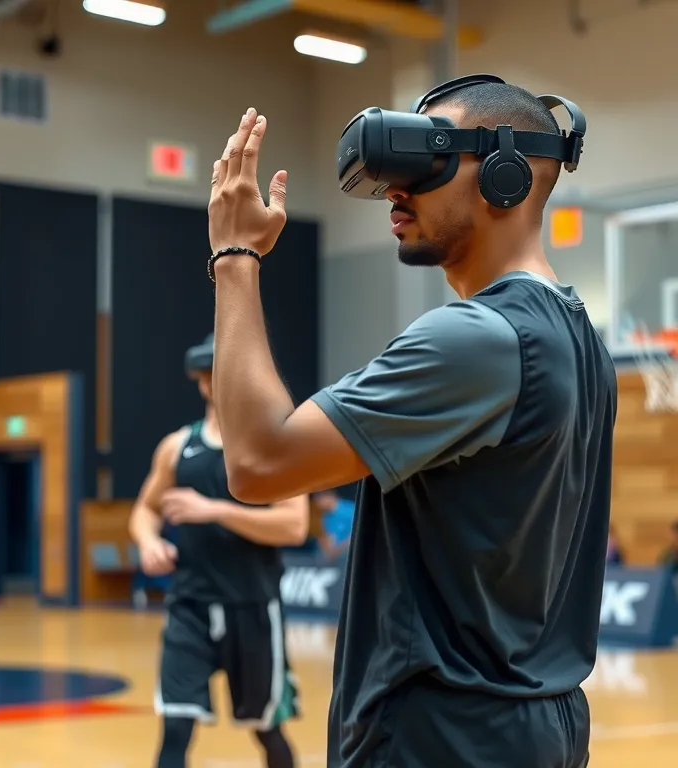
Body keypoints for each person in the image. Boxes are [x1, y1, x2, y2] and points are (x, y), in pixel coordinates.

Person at [204, 80, 614, 767]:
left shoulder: (478, 339)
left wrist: (235, 258)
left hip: (441, 734)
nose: (395, 190)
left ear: (505, 173)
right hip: (533, 727)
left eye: (425, 163)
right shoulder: (579, 337)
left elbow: (257, 462)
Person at [129, 333, 310, 768]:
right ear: (204, 383)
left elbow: (294, 525)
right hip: (189, 604)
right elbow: (143, 511)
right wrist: (149, 541)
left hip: (251, 605)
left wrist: (214, 510)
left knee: (267, 728)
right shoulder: (177, 447)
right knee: (175, 726)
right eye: (214, 374)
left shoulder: (271, 447)